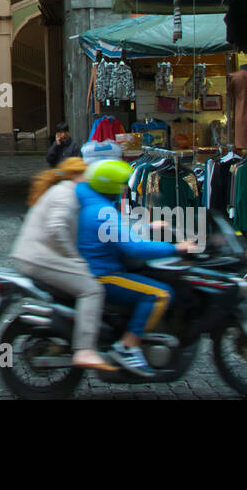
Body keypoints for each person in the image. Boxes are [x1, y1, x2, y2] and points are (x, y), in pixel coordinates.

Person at [76, 159, 199, 376]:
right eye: (122, 185)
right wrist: (175, 249)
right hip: (105, 274)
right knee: (160, 294)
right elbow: (135, 248)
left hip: (100, 267)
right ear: (112, 186)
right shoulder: (102, 211)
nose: (125, 189)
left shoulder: (94, 203)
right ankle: (127, 346)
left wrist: (146, 226)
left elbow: (117, 229)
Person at [9, 157, 114, 371]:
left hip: (36, 255)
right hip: (41, 258)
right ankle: (85, 349)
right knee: (92, 289)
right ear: (78, 176)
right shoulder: (66, 193)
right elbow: (56, 228)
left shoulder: (63, 191)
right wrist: (74, 257)